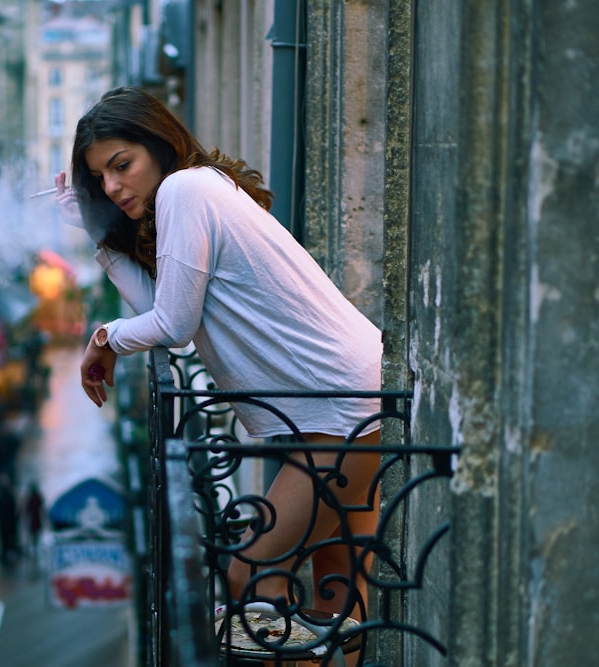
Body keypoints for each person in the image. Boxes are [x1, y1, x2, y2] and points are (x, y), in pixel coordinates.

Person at [55, 87, 383, 637]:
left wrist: (106, 339)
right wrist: (99, 232)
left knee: (253, 575)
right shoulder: (198, 189)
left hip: (342, 407)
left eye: (122, 165)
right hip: (348, 399)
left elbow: (174, 328)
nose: (112, 187)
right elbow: (163, 311)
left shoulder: (186, 189)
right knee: (340, 577)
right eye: (100, 178)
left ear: (158, 147)